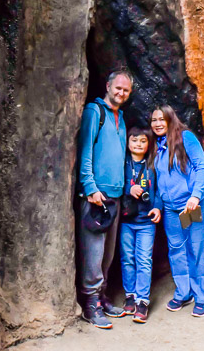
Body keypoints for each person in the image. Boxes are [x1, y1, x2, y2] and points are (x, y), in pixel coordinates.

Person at [77, 70, 133, 329]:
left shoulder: (121, 118)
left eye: (126, 91)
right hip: (97, 196)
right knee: (93, 251)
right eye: (118, 88)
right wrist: (90, 187)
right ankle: (90, 303)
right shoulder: (94, 112)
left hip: (116, 197)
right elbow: (85, 150)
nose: (121, 93)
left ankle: (102, 296)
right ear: (108, 85)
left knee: (108, 253)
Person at [149, 104, 204, 317]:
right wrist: (157, 206)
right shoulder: (158, 145)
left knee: (196, 248)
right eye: (154, 120)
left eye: (161, 119)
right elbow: (160, 181)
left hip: (190, 205)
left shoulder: (185, 138)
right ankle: (184, 292)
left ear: (170, 119)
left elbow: (202, 166)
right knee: (176, 250)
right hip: (170, 209)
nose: (157, 124)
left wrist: (195, 196)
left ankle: (201, 296)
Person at [119, 127, 161, 324]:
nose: (138, 144)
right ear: (127, 143)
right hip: (126, 221)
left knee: (144, 259)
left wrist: (158, 208)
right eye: (134, 140)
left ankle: (142, 300)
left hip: (146, 222)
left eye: (143, 141)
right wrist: (130, 187)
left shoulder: (152, 165)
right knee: (128, 258)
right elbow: (116, 183)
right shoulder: (123, 163)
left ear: (149, 143)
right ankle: (130, 295)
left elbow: (160, 189)